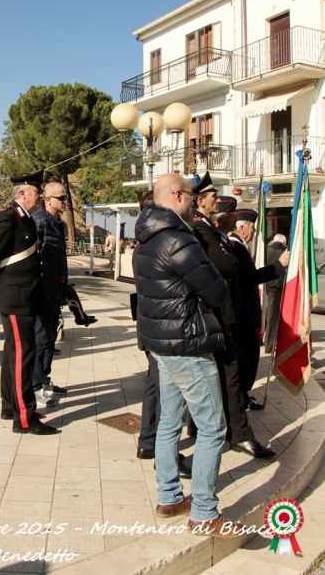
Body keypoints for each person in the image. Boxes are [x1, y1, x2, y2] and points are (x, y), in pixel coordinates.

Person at [134, 172, 243, 538]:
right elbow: (216, 290)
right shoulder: (179, 239)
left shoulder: (145, 238)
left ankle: (168, 497)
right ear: (178, 195)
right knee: (212, 427)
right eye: (192, 196)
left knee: (168, 423)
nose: (195, 201)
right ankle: (204, 513)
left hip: (161, 344)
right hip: (189, 344)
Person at [191, 172, 275, 459]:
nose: (217, 198)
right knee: (230, 376)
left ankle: (228, 431)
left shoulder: (211, 232)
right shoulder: (201, 230)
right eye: (214, 195)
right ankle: (238, 434)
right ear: (200, 200)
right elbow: (227, 266)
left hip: (225, 315)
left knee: (225, 376)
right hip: (216, 317)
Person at [0, 171, 57, 435]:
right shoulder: (7, 217)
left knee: (13, 355)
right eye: (38, 191)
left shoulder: (26, 219)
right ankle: (25, 418)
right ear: (23, 193)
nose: (42, 195)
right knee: (23, 356)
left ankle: (10, 407)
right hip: (15, 297)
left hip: (24, 295)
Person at [135, 189, 191, 478]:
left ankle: (149, 442)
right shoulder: (170, 240)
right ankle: (161, 453)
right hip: (169, 330)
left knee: (156, 387)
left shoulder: (144, 240)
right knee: (169, 398)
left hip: (153, 328)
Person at [229, 213, 288, 402]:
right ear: (242, 228)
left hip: (246, 313)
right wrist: (279, 265)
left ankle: (243, 395)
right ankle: (240, 396)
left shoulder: (240, 245)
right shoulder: (236, 245)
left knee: (249, 357)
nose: (255, 231)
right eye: (253, 227)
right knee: (247, 357)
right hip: (242, 315)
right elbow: (250, 277)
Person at [32, 181, 68, 408]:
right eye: (61, 198)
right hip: (43, 292)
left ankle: (44, 379)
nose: (65, 201)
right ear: (48, 199)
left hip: (56, 291)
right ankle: (35, 387)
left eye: (65, 197)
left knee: (51, 338)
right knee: (41, 339)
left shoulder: (58, 224)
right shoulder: (39, 222)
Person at [264, 234, 287, 354]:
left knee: (266, 315)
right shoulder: (284, 253)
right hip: (276, 288)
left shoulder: (266, 250)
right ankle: (270, 345)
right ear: (284, 243)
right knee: (272, 317)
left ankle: (263, 339)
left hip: (264, 285)